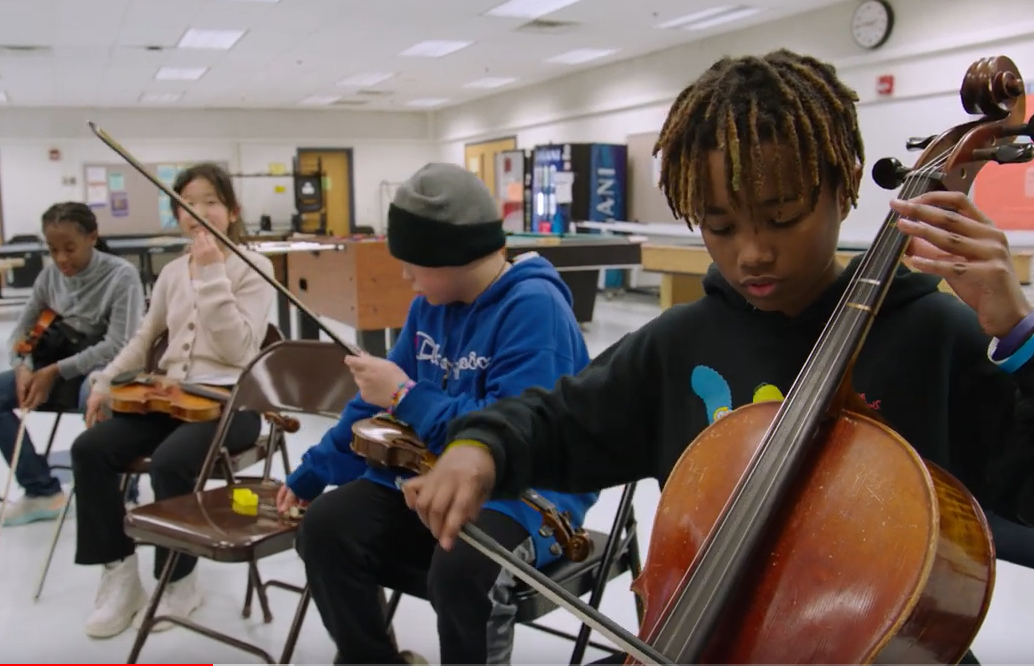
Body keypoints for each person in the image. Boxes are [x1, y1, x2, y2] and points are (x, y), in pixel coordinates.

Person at [402, 50, 1034, 665]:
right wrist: (481, 446)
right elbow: (559, 420)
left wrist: (1019, 334)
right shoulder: (680, 342)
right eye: (720, 226)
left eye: (781, 217)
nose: (752, 253)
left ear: (844, 193)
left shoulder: (935, 335)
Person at [276, 162, 598, 665]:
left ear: (453, 257)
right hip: (428, 476)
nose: (406, 278)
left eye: (414, 264)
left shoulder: (534, 307)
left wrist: (406, 394)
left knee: (464, 567)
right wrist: (314, 472)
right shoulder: (431, 304)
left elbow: (514, 434)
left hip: (522, 493)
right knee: (325, 528)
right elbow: (373, 404)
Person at [69, 163, 275, 639]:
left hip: (233, 406)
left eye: (210, 202)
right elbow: (144, 338)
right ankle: (119, 575)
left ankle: (178, 578)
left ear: (232, 210)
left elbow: (239, 350)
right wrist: (103, 382)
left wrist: (212, 275)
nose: (198, 213)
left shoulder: (255, 268)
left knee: (170, 462)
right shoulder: (170, 272)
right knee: (91, 450)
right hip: (172, 398)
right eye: (187, 204)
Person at [0, 202, 144, 526]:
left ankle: (121, 493)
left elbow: (119, 345)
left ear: (92, 237)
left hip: (105, 370)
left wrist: (53, 372)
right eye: (53, 250)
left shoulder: (122, 275)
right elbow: (23, 331)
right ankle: (41, 492)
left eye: (70, 249)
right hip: (59, 367)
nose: (61, 259)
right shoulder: (50, 276)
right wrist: (22, 365)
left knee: (91, 398)